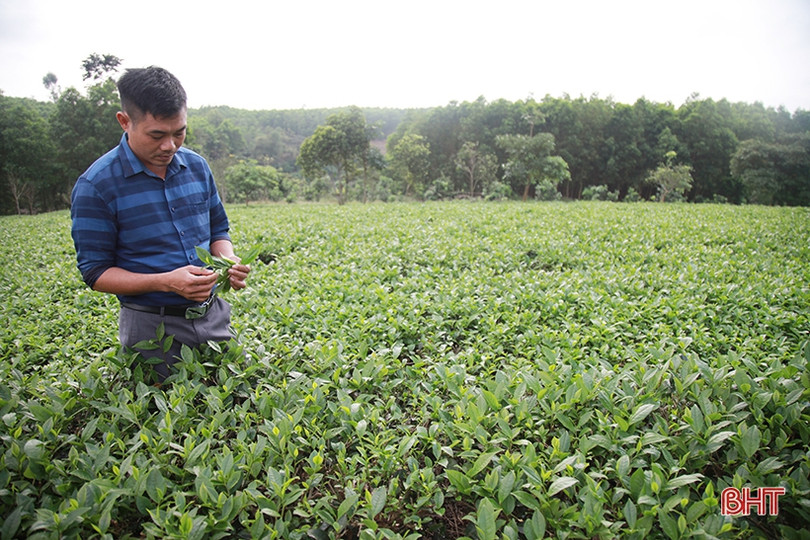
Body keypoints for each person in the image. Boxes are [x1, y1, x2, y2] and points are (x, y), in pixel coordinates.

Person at [71, 66, 250, 381]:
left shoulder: (197, 167)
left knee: (236, 402)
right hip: (151, 329)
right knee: (165, 419)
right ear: (125, 121)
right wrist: (165, 281)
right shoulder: (97, 185)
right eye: (157, 135)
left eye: (179, 132)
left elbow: (218, 229)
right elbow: (96, 273)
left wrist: (227, 260)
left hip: (213, 316)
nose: (170, 146)